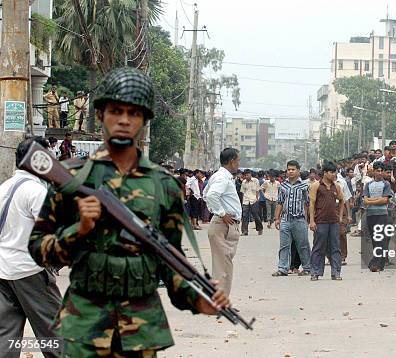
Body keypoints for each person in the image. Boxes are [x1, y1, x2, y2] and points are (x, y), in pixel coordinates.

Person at [29, 67, 230, 356]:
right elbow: (38, 250)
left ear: (145, 121)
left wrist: (198, 299)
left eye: (134, 113)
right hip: (84, 328)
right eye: (116, 110)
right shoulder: (72, 178)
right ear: (100, 114)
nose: (124, 120)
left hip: (142, 330)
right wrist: (79, 229)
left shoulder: (164, 185)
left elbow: (169, 260)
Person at [0, 137, 62, 358]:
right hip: (30, 271)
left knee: (6, 337)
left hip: (4, 271)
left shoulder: (4, 188)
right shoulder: (36, 191)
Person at [203, 148, 243, 297]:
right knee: (222, 267)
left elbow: (205, 194)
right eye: (238, 160)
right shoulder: (222, 178)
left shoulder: (220, 176)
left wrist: (217, 211)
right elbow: (212, 195)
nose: (238, 164)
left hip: (225, 224)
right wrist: (221, 213)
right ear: (232, 161)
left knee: (224, 265)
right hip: (223, 224)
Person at [272, 160, 312, 277]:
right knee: (284, 245)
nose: (290, 171)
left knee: (303, 245)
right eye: (289, 169)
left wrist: (310, 220)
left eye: (293, 169)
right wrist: (277, 218)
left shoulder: (304, 186)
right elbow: (280, 202)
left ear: (298, 171)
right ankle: (283, 268)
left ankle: (307, 267)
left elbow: (308, 203)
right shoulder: (283, 185)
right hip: (286, 219)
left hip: (299, 219)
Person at [308, 162, 345, 281]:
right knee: (318, 247)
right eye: (331, 172)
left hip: (333, 221)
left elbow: (342, 201)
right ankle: (315, 271)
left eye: (335, 172)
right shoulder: (316, 185)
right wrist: (312, 221)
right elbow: (312, 203)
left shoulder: (336, 186)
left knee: (335, 247)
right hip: (320, 221)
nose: (334, 174)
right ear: (325, 173)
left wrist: (339, 217)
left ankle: (336, 272)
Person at [364, 162, 393, 272]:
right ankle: (377, 261)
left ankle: (377, 263)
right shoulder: (368, 185)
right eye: (378, 170)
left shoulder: (386, 184)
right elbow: (365, 200)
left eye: (381, 171)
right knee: (374, 239)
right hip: (370, 214)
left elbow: (385, 200)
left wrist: (371, 200)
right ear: (374, 171)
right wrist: (378, 200)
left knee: (380, 238)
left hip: (382, 214)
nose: (380, 173)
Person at [240, 169, 263, 236]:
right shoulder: (243, 182)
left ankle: (259, 228)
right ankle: (244, 231)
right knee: (244, 216)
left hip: (254, 200)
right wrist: (242, 202)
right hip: (246, 200)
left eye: (248, 175)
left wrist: (257, 199)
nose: (247, 176)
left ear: (250, 174)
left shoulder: (255, 180)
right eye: (245, 175)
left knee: (256, 215)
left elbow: (257, 190)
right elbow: (242, 192)